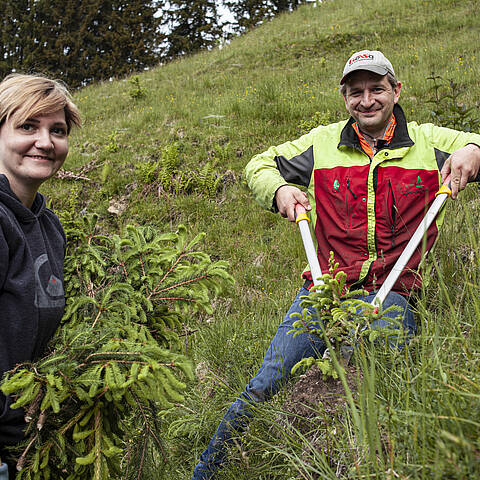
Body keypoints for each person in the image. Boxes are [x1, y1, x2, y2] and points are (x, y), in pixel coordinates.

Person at [192, 50, 480, 479]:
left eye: (377, 89)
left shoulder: (427, 142)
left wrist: (473, 150)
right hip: (325, 290)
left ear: (396, 91)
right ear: (344, 97)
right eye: (356, 92)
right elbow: (260, 165)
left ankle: (354, 464)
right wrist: (280, 192)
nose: (367, 101)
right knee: (269, 379)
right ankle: (208, 470)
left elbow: (476, 145)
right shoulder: (323, 143)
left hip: (395, 292)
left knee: (373, 373)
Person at [0, 74, 81, 477]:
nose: (46, 142)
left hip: (31, 437)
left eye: (58, 130)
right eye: (28, 126)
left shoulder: (48, 225)